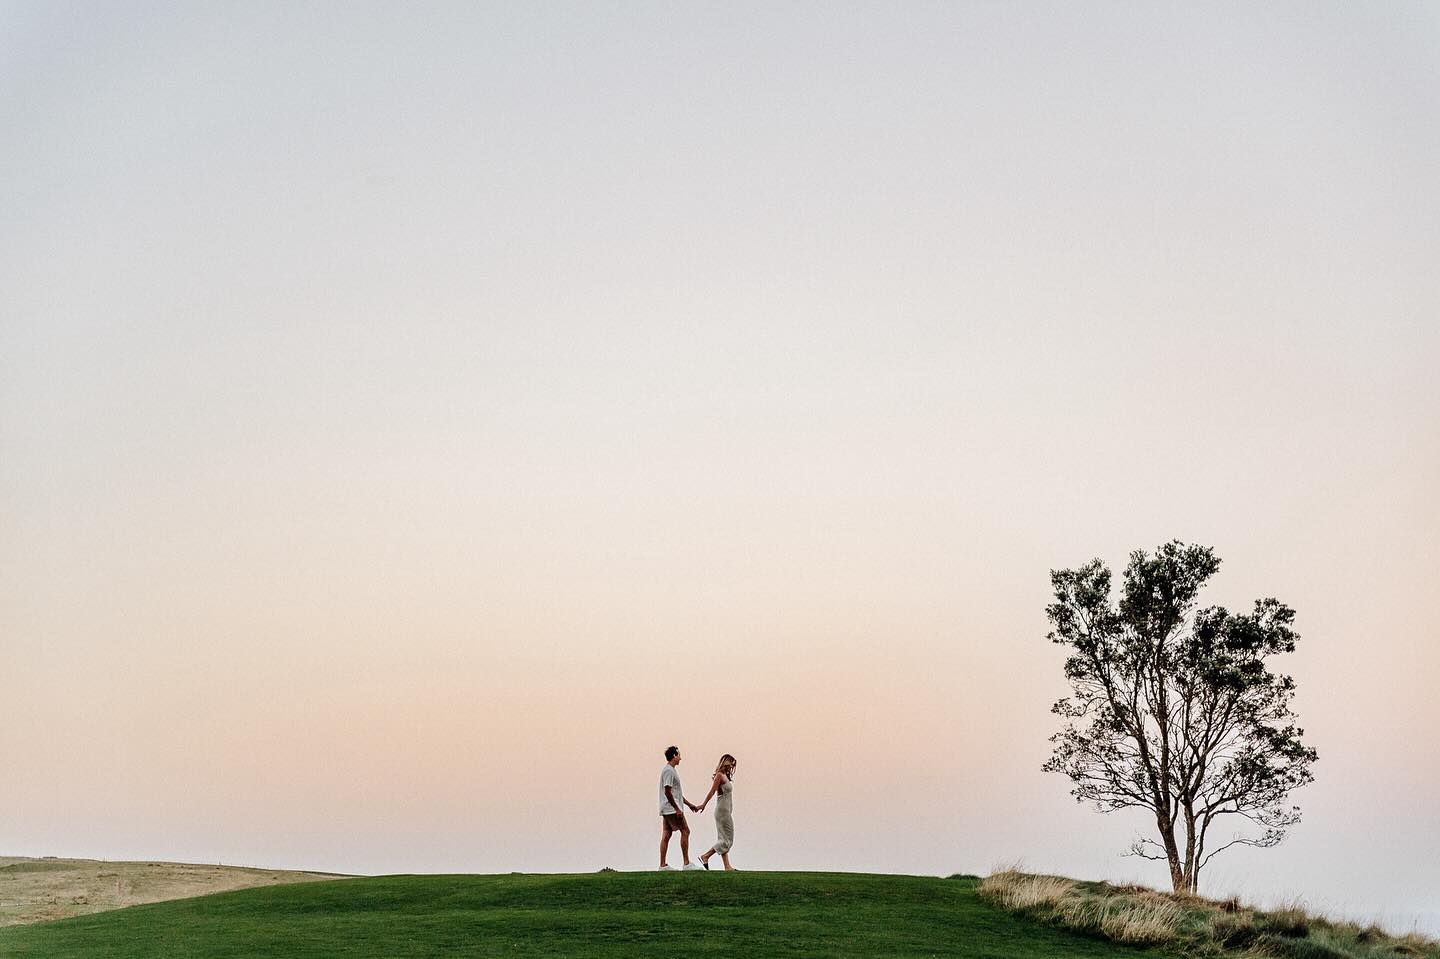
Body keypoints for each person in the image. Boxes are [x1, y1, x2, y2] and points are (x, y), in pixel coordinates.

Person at [658, 745, 701, 870]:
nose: (680, 758)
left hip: (666, 808)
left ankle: (662, 865)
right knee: (685, 831)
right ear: (674, 756)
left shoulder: (671, 770)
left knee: (666, 834)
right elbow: (667, 791)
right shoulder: (669, 771)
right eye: (679, 755)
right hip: (671, 808)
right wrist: (677, 808)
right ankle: (686, 863)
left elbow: (677, 793)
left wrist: (689, 805)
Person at [697, 753, 738, 871]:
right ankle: (705, 856)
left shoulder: (725, 776)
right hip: (722, 812)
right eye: (731, 764)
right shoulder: (719, 776)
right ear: (725, 762)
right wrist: (703, 805)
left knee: (723, 839)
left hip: (726, 811)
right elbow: (712, 792)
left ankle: (727, 867)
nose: (732, 767)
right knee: (727, 840)